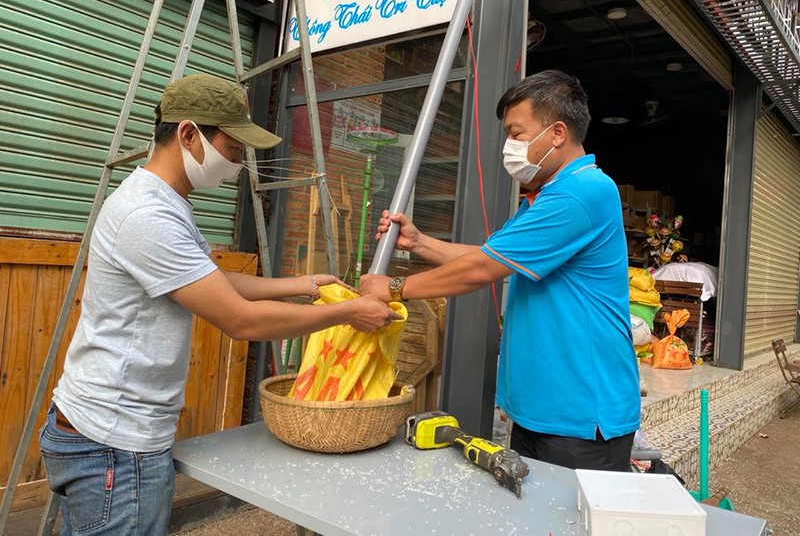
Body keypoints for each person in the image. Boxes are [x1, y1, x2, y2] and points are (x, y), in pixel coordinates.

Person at [39, 74, 399, 536]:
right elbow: (238, 318)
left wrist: (305, 284)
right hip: (113, 442)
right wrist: (348, 312)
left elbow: (207, 281)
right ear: (189, 134)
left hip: (112, 431)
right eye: (232, 149)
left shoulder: (168, 203)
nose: (237, 163)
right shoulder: (147, 215)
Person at [360, 70, 640, 472]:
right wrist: (420, 243)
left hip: (581, 413)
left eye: (518, 133)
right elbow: (493, 256)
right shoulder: (545, 198)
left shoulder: (583, 192)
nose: (509, 146)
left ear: (557, 133)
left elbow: (482, 269)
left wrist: (393, 287)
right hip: (542, 407)